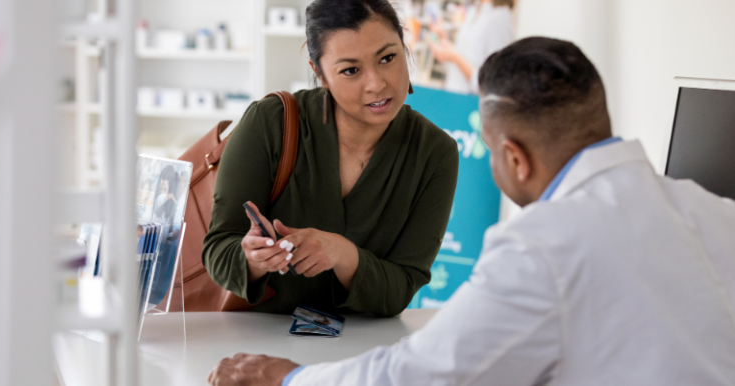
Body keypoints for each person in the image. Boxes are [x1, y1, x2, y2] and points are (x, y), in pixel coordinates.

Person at [206, 37, 735, 385]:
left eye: (388, 58)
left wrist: (288, 378)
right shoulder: (715, 212)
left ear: (513, 159)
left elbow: (423, 375)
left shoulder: (542, 244)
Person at [203, 0, 459, 316]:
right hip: (258, 347)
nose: (377, 84)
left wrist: (343, 255)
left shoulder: (435, 152)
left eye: (388, 58)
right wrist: (253, 260)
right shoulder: (270, 123)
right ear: (319, 73)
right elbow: (218, 252)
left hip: (363, 355)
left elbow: (402, 287)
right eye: (350, 70)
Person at [429, 0, 514, 94]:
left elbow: (492, 83)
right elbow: (459, 67)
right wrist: (443, 40)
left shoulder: (500, 19)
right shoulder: (474, 10)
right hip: (453, 96)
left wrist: (456, 58)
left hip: (471, 103)